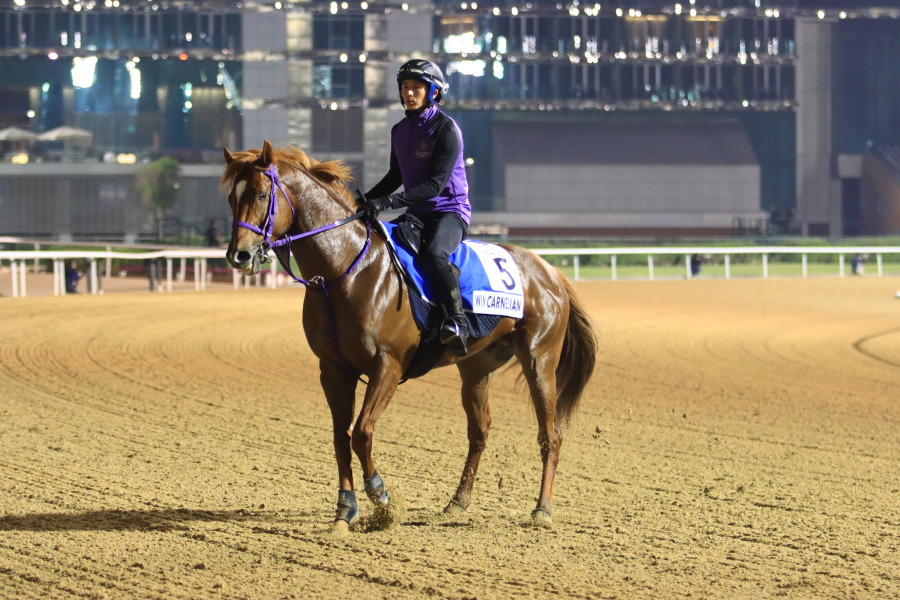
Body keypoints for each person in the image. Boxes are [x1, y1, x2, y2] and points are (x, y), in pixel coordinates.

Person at [357, 59, 472, 356]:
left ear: (433, 92)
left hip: (449, 212)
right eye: (405, 87)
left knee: (434, 255)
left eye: (417, 88)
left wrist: (389, 202)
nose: (409, 93)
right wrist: (364, 200)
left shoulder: (446, 129)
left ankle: (457, 322)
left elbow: (434, 185)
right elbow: (395, 177)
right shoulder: (399, 130)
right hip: (417, 214)